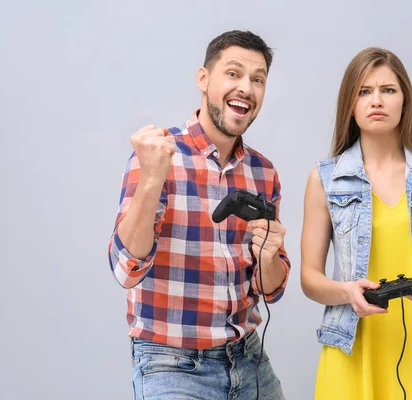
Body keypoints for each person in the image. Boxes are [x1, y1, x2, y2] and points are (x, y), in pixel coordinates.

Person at [108, 30, 291, 400]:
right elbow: (125, 266)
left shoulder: (264, 172)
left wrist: (269, 256)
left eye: (258, 80)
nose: (246, 88)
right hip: (171, 363)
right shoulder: (160, 155)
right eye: (234, 73)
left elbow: (271, 289)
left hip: (248, 358)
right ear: (204, 80)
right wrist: (151, 179)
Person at [300, 47, 412, 399]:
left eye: (388, 90)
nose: (376, 101)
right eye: (364, 92)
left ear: (405, 100)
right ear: (350, 104)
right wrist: (346, 292)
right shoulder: (325, 180)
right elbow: (310, 279)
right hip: (354, 346)